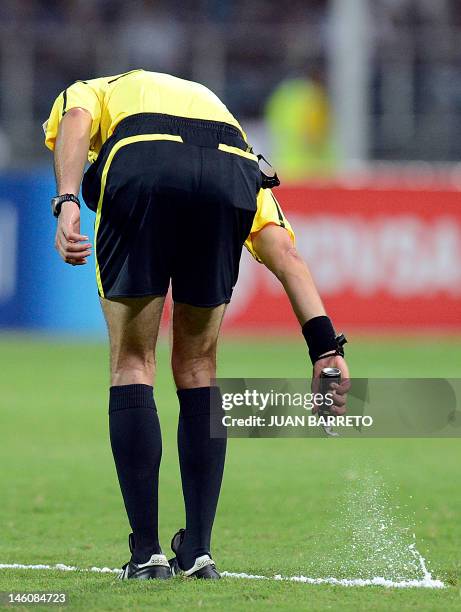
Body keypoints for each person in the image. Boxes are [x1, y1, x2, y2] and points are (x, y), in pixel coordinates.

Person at [43, 69, 348, 582]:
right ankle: (199, 553)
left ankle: (146, 555)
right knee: (199, 366)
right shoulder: (219, 120)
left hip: (143, 161)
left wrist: (69, 200)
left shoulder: (95, 88)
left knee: (134, 361)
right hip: (231, 171)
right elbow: (285, 254)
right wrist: (325, 350)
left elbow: (75, 117)